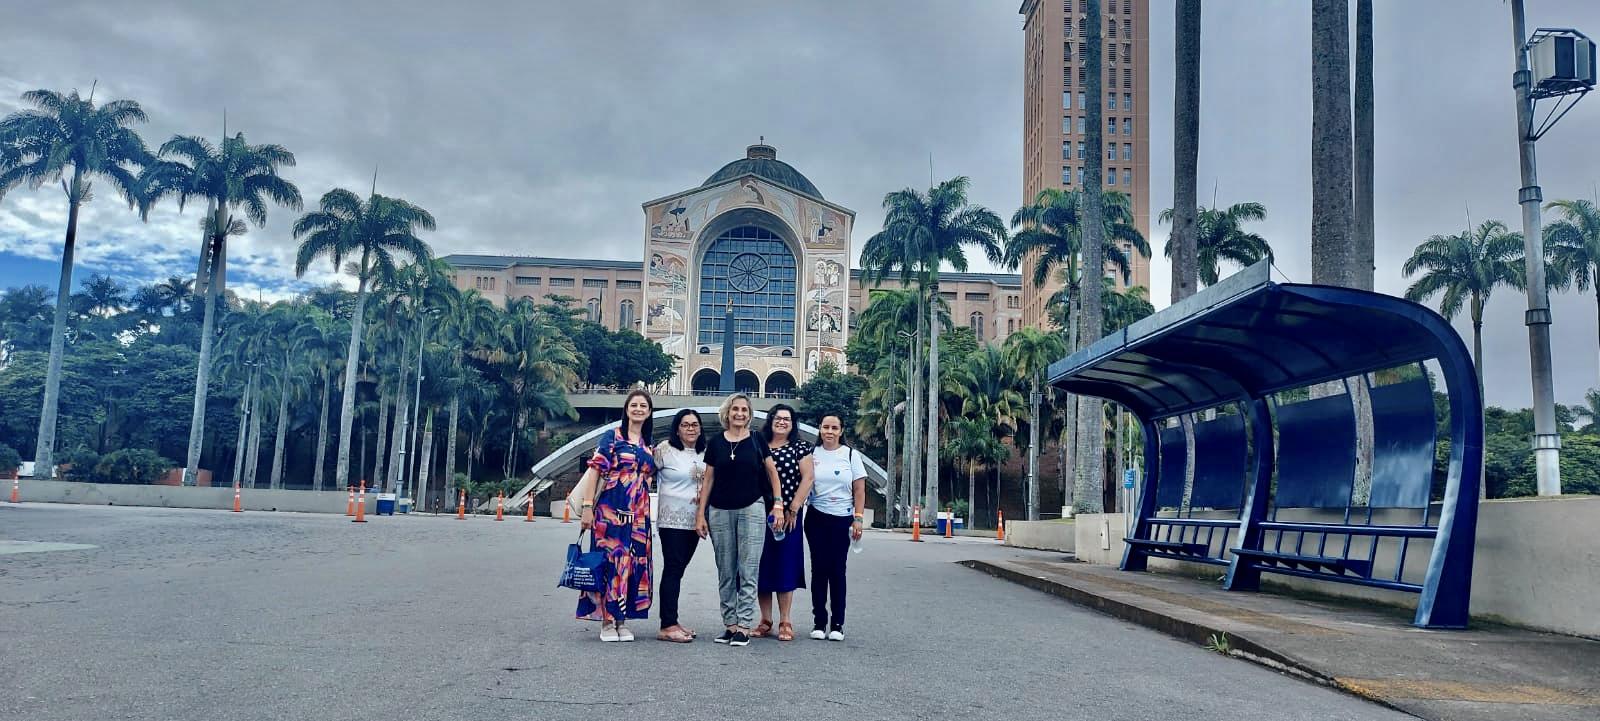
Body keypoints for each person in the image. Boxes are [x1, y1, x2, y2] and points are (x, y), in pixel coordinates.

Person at [695, 393, 783, 648]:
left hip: (751, 508)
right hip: (720, 511)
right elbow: (708, 480)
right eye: (735, 409)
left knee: (748, 568)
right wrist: (701, 514)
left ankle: (744, 625)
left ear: (749, 413)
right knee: (725, 569)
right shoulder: (716, 443)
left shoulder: (756, 439)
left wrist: (777, 505)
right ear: (727, 413)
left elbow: (772, 473)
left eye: (745, 409)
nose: (740, 414)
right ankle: (730, 625)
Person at [577, 390, 657, 642]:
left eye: (643, 405)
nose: (638, 409)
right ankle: (607, 622)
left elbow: (649, 475)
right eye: (633, 404)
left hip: (638, 515)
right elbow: (595, 472)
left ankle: (622, 620)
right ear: (626, 409)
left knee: (633, 564)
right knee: (611, 562)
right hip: (610, 511)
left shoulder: (648, 442)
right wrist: (588, 507)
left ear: (649, 411)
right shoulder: (613, 436)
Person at [754, 404, 814, 642]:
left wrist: (793, 508)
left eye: (787, 419)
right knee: (759, 566)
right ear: (770, 420)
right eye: (777, 418)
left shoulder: (800, 447)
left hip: (788, 515)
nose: (781, 422)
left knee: (785, 565)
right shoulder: (758, 444)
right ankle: (765, 619)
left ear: (793, 423)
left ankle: (785, 620)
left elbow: (808, 478)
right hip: (758, 514)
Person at [804, 414, 866, 641]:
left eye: (834, 428)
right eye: (825, 427)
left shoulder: (850, 455)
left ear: (841, 431)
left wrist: (858, 518)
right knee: (819, 569)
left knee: (837, 570)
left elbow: (859, 490)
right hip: (816, 517)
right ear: (819, 429)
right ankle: (819, 621)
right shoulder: (811, 454)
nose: (829, 431)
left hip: (842, 519)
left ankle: (837, 624)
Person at [652, 409, 706, 643]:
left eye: (694, 424)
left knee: (679, 570)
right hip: (671, 520)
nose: (690, 428)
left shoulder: (706, 453)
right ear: (677, 428)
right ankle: (667, 624)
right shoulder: (665, 450)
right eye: (685, 425)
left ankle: (673, 620)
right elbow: (644, 474)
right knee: (673, 568)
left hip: (694, 521)